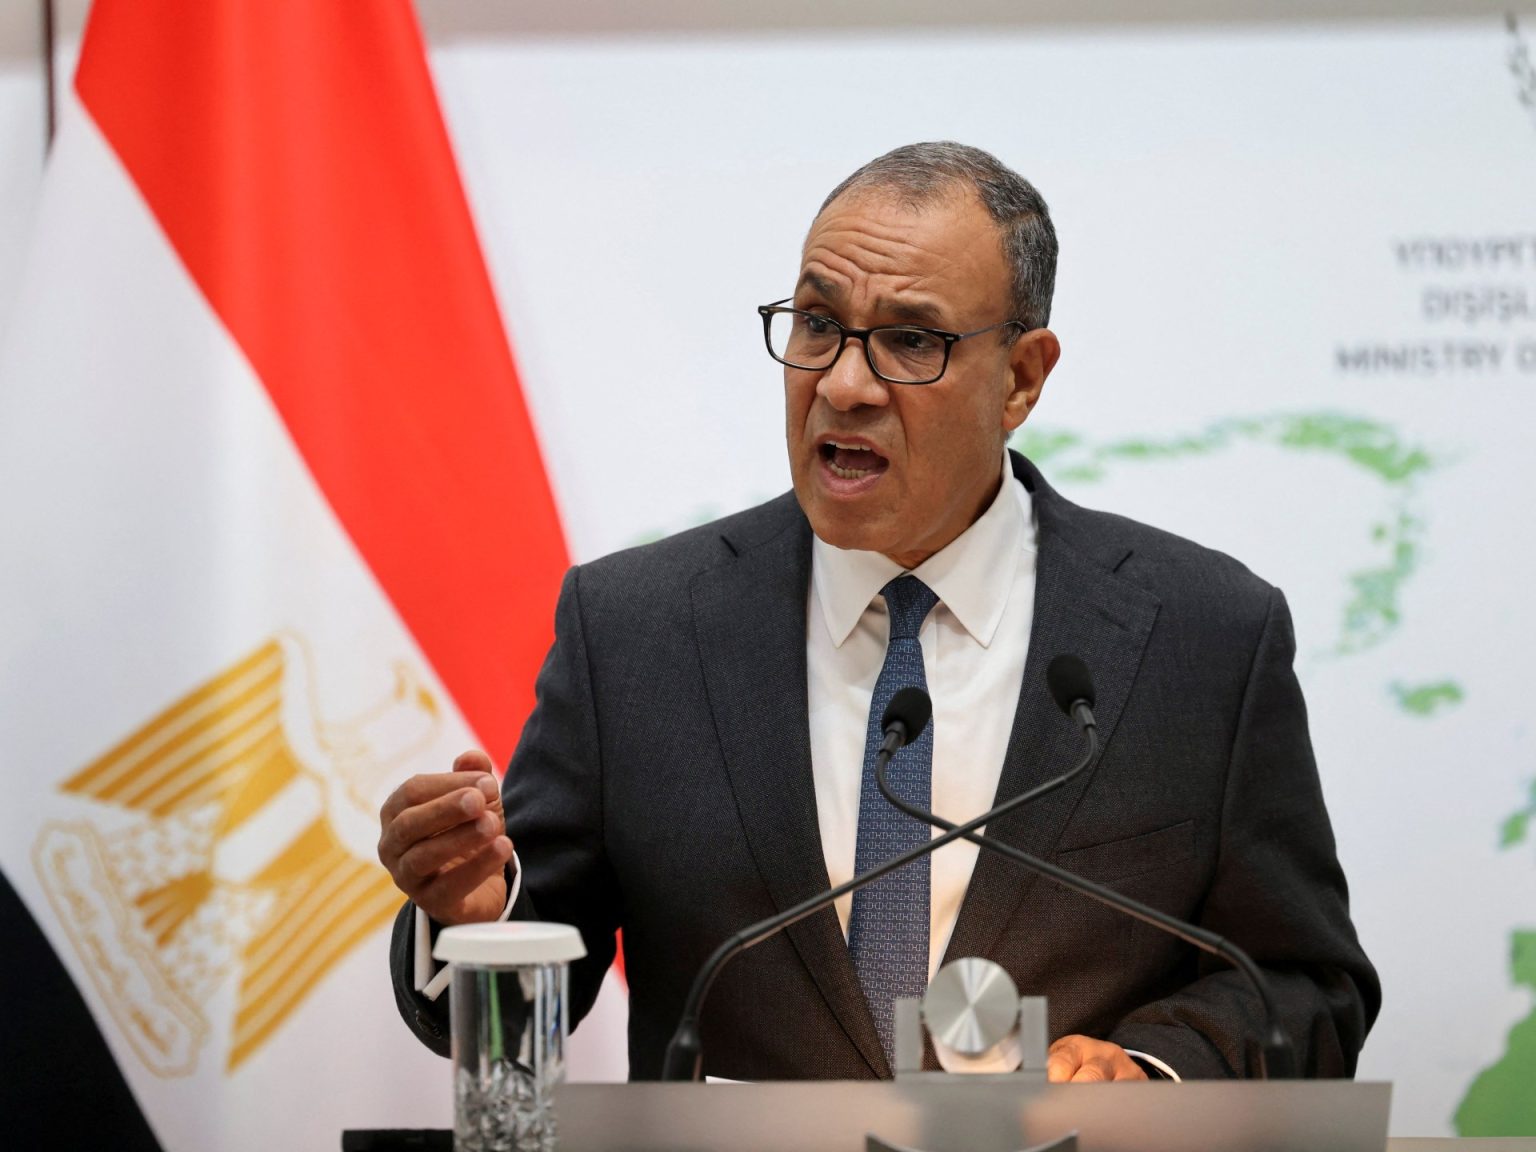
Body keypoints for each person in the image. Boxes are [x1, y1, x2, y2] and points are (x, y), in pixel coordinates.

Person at [378, 142, 1380, 1083]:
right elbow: (516, 1028)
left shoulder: (1202, 638)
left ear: (1021, 377)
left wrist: (1149, 1070)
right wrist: (476, 917)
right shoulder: (636, 630)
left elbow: (1307, 988)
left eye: (910, 340)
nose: (844, 384)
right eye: (818, 324)